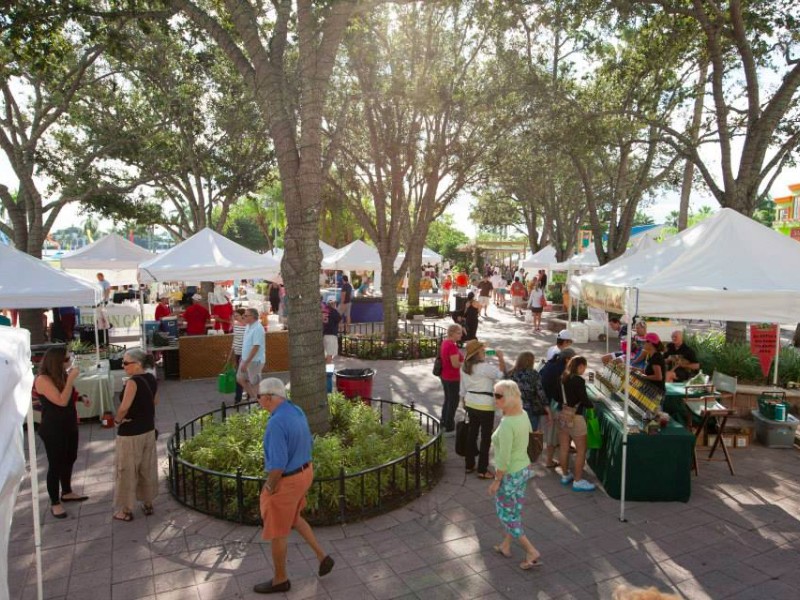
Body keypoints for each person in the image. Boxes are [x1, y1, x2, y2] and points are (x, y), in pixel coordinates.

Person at [254, 378, 334, 593]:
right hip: (305, 473)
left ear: (270, 397)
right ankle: (322, 556)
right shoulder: (295, 410)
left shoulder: (276, 423)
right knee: (294, 519)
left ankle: (280, 579)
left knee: (278, 531)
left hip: (287, 481)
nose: (258, 400)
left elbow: (277, 466)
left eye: (259, 396)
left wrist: (269, 488)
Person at [488, 380, 542, 570]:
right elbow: (527, 436)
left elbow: (503, 457)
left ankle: (531, 550)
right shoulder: (523, 415)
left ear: (510, 398)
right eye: (494, 394)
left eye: (498, 395)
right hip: (523, 470)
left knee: (506, 515)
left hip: (510, 474)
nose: (495, 399)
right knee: (515, 510)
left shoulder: (506, 424)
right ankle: (506, 545)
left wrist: (496, 481)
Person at [33, 347, 90, 518]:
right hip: (53, 428)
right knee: (55, 464)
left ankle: (66, 491)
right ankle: (55, 502)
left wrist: (81, 397)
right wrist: (71, 379)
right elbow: (60, 401)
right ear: (56, 362)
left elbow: (69, 396)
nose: (70, 361)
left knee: (69, 458)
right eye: (66, 359)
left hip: (69, 424)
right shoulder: (42, 379)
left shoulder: (62, 375)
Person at [113, 349, 159, 521]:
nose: (123, 366)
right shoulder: (151, 378)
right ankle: (148, 503)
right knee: (146, 468)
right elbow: (155, 401)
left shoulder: (132, 383)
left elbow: (124, 408)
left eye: (126, 363)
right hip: (148, 429)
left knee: (127, 470)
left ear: (137, 364)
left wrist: (117, 420)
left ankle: (126, 510)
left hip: (131, 432)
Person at [460, 340, 506, 479]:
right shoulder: (485, 367)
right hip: (485, 405)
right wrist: (501, 357)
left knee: (472, 434)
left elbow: (462, 388)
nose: (484, 352)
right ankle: (482, 469)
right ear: (477, 353)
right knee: (486, 438)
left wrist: (463, 402)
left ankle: (469, 465)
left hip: (471, 403)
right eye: (482, 350)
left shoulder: (464, 367)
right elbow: (501, 375)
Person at [558, 355, 596, 492]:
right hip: (576, 417)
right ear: (580, 366)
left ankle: (564, 475)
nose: (584, 370)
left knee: (563, 448)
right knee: (581, 450)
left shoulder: (564, 377)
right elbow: (584, 400)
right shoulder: (578, 380)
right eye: (584, 367)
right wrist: (593, 404)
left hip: (563, 414)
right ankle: (578, 480)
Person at [539, 347, 577, 470]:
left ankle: (553, 458)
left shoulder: (551, 364)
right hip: (554, 404)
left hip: (548, 402)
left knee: (552, 433)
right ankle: (550, 460)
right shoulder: (562, 370)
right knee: (554, 433)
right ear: (567, 359)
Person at [508, 351, 548, 432]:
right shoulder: (534, 374)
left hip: (514, 407)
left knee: (515, 432)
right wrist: (547, 407)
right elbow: (540, 393)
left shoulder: (511, 373)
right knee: (530, 434)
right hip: (531, 408)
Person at [439, 324, 464, 435]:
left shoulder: (445, 342)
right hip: (452, 377)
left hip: (445, 376)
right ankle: (449, 427)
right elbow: (455, 364)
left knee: (448, 400)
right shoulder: (452, 346)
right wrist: (465, 364)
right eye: (458, 333)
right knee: (453, 402)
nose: (461, 335)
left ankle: (444, 422)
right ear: (452, 333)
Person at [238, 308, 265, 401]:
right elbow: (246, 344)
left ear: (253, 317)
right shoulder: (248, 326)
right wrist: (243, 358)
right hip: (246, 360)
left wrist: (246, 362)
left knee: (255, 384)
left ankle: (258, 403)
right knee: (240, 378)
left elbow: (255, 347)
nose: (243, 317)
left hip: (254, 361)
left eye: (245, 315)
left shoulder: (258, 328)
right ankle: (254, 399)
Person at [227, 308, 247, 402]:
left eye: (237, 315)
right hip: (238, 353)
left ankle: (238, 398)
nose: (235, 317)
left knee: (240, 376)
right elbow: (235, 340)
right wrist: (231, 353)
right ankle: (241, 397)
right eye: (234, 315)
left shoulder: (248, 327)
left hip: (246, 354)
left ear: (242, 315)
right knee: (240, 375)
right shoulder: (235, 326)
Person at [322, 299, 341, 363]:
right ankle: (328, 371)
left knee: (326, 354)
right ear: (333, 305)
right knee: (330, 354)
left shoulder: (323, 312)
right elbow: (339, 319)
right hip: (331, 335)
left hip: (324, 334)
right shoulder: (334, 312)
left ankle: (325, 368)